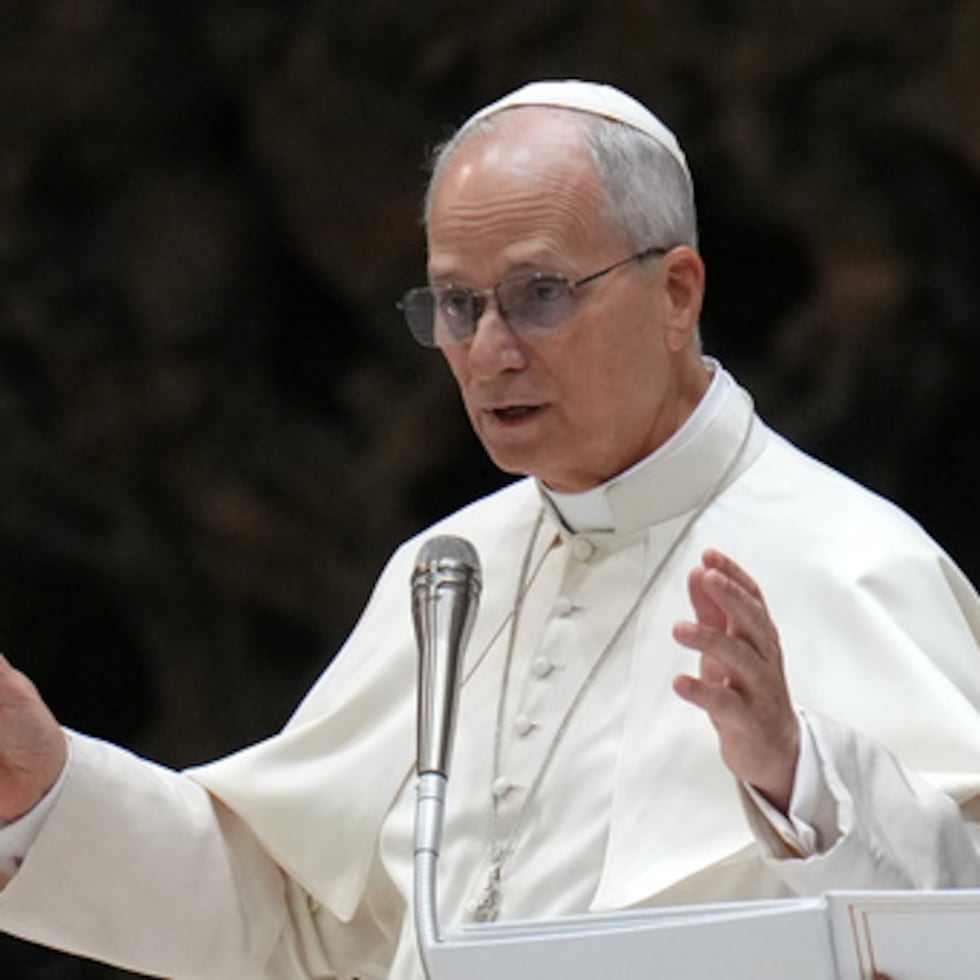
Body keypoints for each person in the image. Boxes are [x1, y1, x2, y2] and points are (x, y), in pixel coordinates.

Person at [0, 79, 979, 980]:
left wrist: (800, 778)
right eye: (456, 305)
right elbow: (288, 920)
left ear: (676, 292)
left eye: (538, 295)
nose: (488, 351)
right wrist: (47, 786)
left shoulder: (849, 560)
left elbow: (955, 929)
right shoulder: (445, 570)